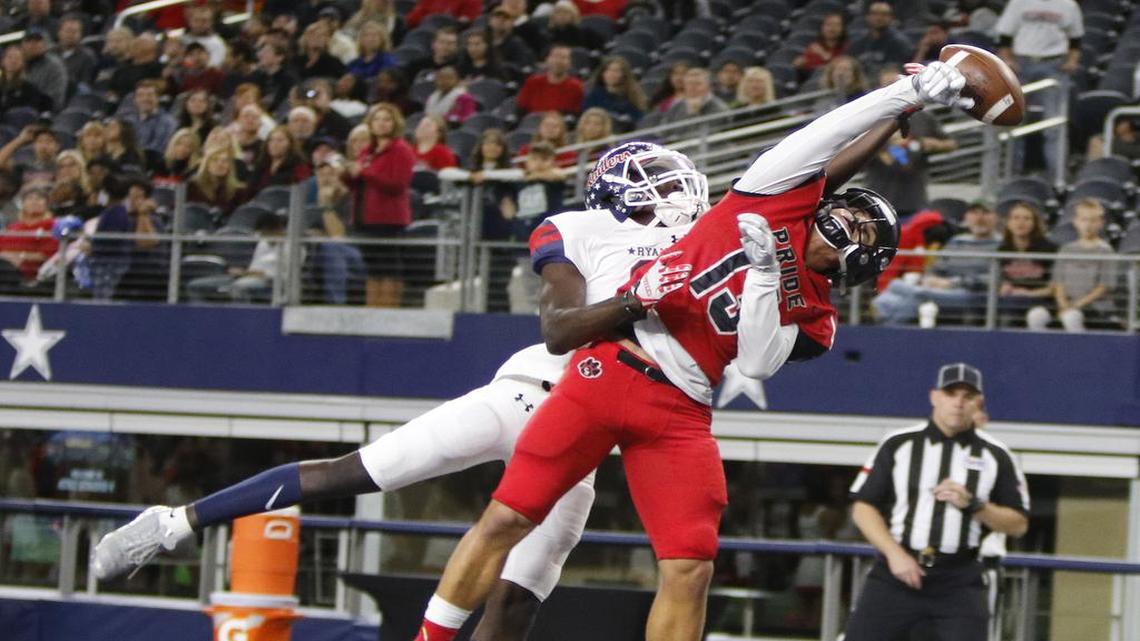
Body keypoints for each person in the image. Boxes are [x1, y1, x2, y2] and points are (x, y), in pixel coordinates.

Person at [407, 62, 970, 641]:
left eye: (865, 228)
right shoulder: (769, 199)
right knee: (507, 517)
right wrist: (905, 97)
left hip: (681, 406)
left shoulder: (819, 317)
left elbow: (754, 361)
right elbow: (818, 140)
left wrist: (762, 278)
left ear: (864, 263)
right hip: (610, 369)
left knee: (691, 565)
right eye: (849, 208)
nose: (849, 218)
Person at [94, 141, 709, 641]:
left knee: (517, 603)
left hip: (589, 440)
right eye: (653, 175)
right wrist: (645, 296)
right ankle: (173, 521)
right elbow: (563, 324)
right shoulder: (584, 231)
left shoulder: (701, 250)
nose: (671, 187)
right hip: (530, 394)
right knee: (351, 474)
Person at [844, 363, 1029, 641]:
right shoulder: (899, 444)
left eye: (967, 396)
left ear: (978, 402)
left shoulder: (997, 456)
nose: (958, 402)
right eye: (951, 393)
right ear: (934, 397)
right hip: (895, 574)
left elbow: (1019, 524)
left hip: (959, 578)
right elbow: (862, 506)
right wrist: (895, 555)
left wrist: (976, 505)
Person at [871, 201, 1002, 326]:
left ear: (996, 217)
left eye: (985, 213)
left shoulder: (1001, 244)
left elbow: (996, 278)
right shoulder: (957, 241)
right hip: (940, 288)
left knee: (918, 294)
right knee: (896, 284)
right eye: (974, 213)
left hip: (972, 293)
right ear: (967, 217)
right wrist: (932, 278)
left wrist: (953, 283)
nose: (979, 218)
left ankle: (882, 319)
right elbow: (937, 267)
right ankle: (887, 323)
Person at [995, 0, 1083, 179]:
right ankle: (1011, 176)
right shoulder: (1019, 3)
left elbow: (1076, 39)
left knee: (1054, 125)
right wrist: (1008, 60)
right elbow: (1004, 35)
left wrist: (1072, 61)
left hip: (1054, 63)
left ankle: (1057, 177)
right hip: (1022, 63)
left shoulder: (1068, 5)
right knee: (1015, 121)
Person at [863, 67, 957, 218]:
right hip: (879, 200)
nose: (893, 90)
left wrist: (932, 144)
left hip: (915, 199)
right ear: (879, 89)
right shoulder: (870, 118)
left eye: (897, 84)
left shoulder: (923, 117)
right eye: (887, 86)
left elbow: (951, 143)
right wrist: (889, 148)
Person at [346, 102, 415, 308]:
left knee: (389, 267)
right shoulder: (368, 150)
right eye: (377, 119)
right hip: (365, 216)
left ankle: (388, 309)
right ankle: (372, 308)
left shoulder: (401, 150)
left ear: (395, 123)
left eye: (387, 119)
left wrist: (365, 173)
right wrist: (348, 174)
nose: (382, 124)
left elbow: (398, 184)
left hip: (389, 218)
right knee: (373, 267)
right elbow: (357, 183)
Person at [997, 200, 1056, 329]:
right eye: (1016, 218)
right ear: (1008, 223)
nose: (1020, 223)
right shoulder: (1002, 250)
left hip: (1040, 302)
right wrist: (1003, 287)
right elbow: (998, 282)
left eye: (1026, 218)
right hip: (1010, 302)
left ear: (1034, 223)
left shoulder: (1049, 249)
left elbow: (1054, 288)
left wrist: (1027, 294)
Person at [516, 44, 584, 116]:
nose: (558, 61)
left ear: (570, 63)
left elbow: (575, 115)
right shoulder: (532, 82)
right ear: (547, 59)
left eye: (563, 57)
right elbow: (521, 110)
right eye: (555, 56)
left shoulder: (576, 87)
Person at [582, 55, 648, 129]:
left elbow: (638, 120)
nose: (611, 74)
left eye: (616, 71)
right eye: (607, 70)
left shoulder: (633, 96)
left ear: (623, 75)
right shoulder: (593, 95)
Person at [846, 2, 914, 71]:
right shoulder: (857, 44)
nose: (879, 18)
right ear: (867, 17)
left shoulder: (901, 44)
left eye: (884, 14)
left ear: (892, 18)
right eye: (874, 14)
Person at [660, 67, 728, 125]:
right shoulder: (675, 109)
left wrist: (695, 113)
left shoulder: (720, 109)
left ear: (708, 87)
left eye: (698, 84)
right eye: (689, 83)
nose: (692, 87)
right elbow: (663, 133)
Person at [794, 12, 847, 79]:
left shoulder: (847, 47)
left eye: (837, 25)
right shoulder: (814, 46)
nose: (832, 28)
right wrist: (799, 64)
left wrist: (823, 54)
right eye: (828, 25)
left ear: (843, 29)